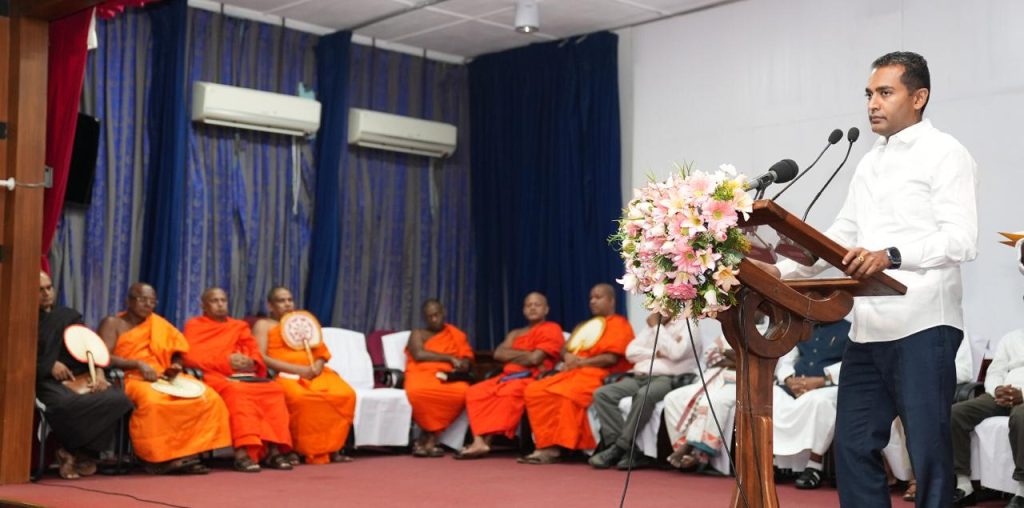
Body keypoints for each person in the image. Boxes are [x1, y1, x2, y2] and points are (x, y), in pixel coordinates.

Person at [767, 51, 978, 507]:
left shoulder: (946, 153)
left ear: (918, 97)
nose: (872, 104)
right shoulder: (868, 162)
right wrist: (780, 271)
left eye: (885, 93)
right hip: (867, 329)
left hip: (924, 323)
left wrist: (892, 256)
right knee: (853, 445)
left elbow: (961, 240)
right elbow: (841, 237)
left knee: (928, 451)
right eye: (868, 94)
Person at [97, 283, 231, 474]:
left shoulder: (159, 324)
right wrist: (137, 364)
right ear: (128, 301)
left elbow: (177, 351)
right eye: (142, 299)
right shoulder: (113, 323)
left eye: (152, 301)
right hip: (131, 377)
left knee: (208, 397)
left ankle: (187, 453)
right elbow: (103, 356)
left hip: (162, 376)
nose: (148, 304)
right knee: (155, 403)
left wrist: (175, 366)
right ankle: (156, 459)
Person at [519, 283, 635, 465]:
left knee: (565, 394)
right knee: (535, 390)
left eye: (598, 297)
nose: (593, 301)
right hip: (573, 372)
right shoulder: (585, 325)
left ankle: (557, 447)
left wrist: (580, 362)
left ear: (612, 300)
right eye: (591, 298)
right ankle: (544, 443)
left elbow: (610, 358)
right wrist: (568, 357)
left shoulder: (620, 325)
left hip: (599, 374)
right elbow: (565, 348)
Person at [183, 287, 293, 472]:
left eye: (223, 300)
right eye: (214, 301)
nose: (220, 304)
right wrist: (225, 361)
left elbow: (253, 350)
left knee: (274, 389)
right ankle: (243, 453)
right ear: (204, 306)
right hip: (214, 376)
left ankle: (273, 450)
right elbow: (190, 357)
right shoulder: (195, 326)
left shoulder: (238, 326)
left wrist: (251, 361)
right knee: (237, 392)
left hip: (243, 375)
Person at [36, 272, 133, 479]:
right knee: (63, 405)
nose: (46, 293)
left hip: (81, 374)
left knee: (118, 399)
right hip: (47, 380)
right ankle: (78, 452)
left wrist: (98, 373)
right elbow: (17, 356)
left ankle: (73, 453)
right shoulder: (22, 320)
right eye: (40, 290)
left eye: (49, 288)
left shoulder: (68, 316)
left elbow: (90, 348)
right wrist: (50, 364)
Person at [253, 286, 356, 465]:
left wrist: (317, 366)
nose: (287, 304)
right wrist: (298, 370)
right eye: (281, 301)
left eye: (290, 300)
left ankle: (332, 448)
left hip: (316, 374)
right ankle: (298, 449)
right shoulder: (264, 325)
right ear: (270, 305)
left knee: (345, 394)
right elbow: (261, 357)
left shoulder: (302, 322)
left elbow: (321, 352)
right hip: (286, 375)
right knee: (300, 399)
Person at [457, 292, 564, 460]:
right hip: (505, 376)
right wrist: (527, 354)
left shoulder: (552, 329)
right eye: (528, 305)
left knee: (508, 393)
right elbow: (498, 354)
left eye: (537, 305)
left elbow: (535, 359)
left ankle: (485, 441)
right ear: (523, 310)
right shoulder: (516, 333)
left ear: (546, 309)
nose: (532, 308)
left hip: (531, 378)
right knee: (475, 391)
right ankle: (478, 441)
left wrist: (513, 354)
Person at [589, 312, 701, 470]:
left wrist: (657, 327)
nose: (660, 307)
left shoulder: (688, 324)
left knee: (644, 395)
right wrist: (656, 353)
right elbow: (631, 352)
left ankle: (619, 447)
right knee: (603, 394)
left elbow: (676, 353)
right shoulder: (652, 325)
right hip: (639, 376)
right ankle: (625, 450)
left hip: (668, 378)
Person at [949, 328, 1024, 507]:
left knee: (1020, 416)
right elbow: (995, 371)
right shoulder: (1011, 337)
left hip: (1022, 397)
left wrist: (1022, 394)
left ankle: (1022, 490)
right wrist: (997, 389)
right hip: (1002, 395)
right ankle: (964, 485)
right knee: (956, 414)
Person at [771, 320, 850, 489]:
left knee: (819, 402)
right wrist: (789, 380)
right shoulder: (802, 327)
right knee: (772, 395)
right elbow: (787, 358)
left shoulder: (849, 328)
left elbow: (851, 363)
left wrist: (822, 380)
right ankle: (779, 463)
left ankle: (814, 466)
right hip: (797, 385)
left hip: (830, 385)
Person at [404, 299, 475, 457]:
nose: (434, 319)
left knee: (463, 392)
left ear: (444, 313)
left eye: (437, 315)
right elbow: (419, 354)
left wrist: (463, 365)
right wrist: (449, 358)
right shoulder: (418, 333)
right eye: (429, 317)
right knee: (417, 391)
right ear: (424, 318)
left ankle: (427, 438)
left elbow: (467, 359)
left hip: (448, 377)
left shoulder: (455, 335)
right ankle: (431, 439)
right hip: (421, 374)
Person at [662, 334, 737, 472]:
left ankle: (696, 452)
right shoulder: (729, 331)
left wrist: (723, 352)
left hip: (739, 382)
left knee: (709, 401)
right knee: (672, 398)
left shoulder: (764, 333)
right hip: (713, 378)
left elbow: (749, 362)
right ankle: (684, 448)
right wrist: (733, 358)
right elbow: (709, 356)